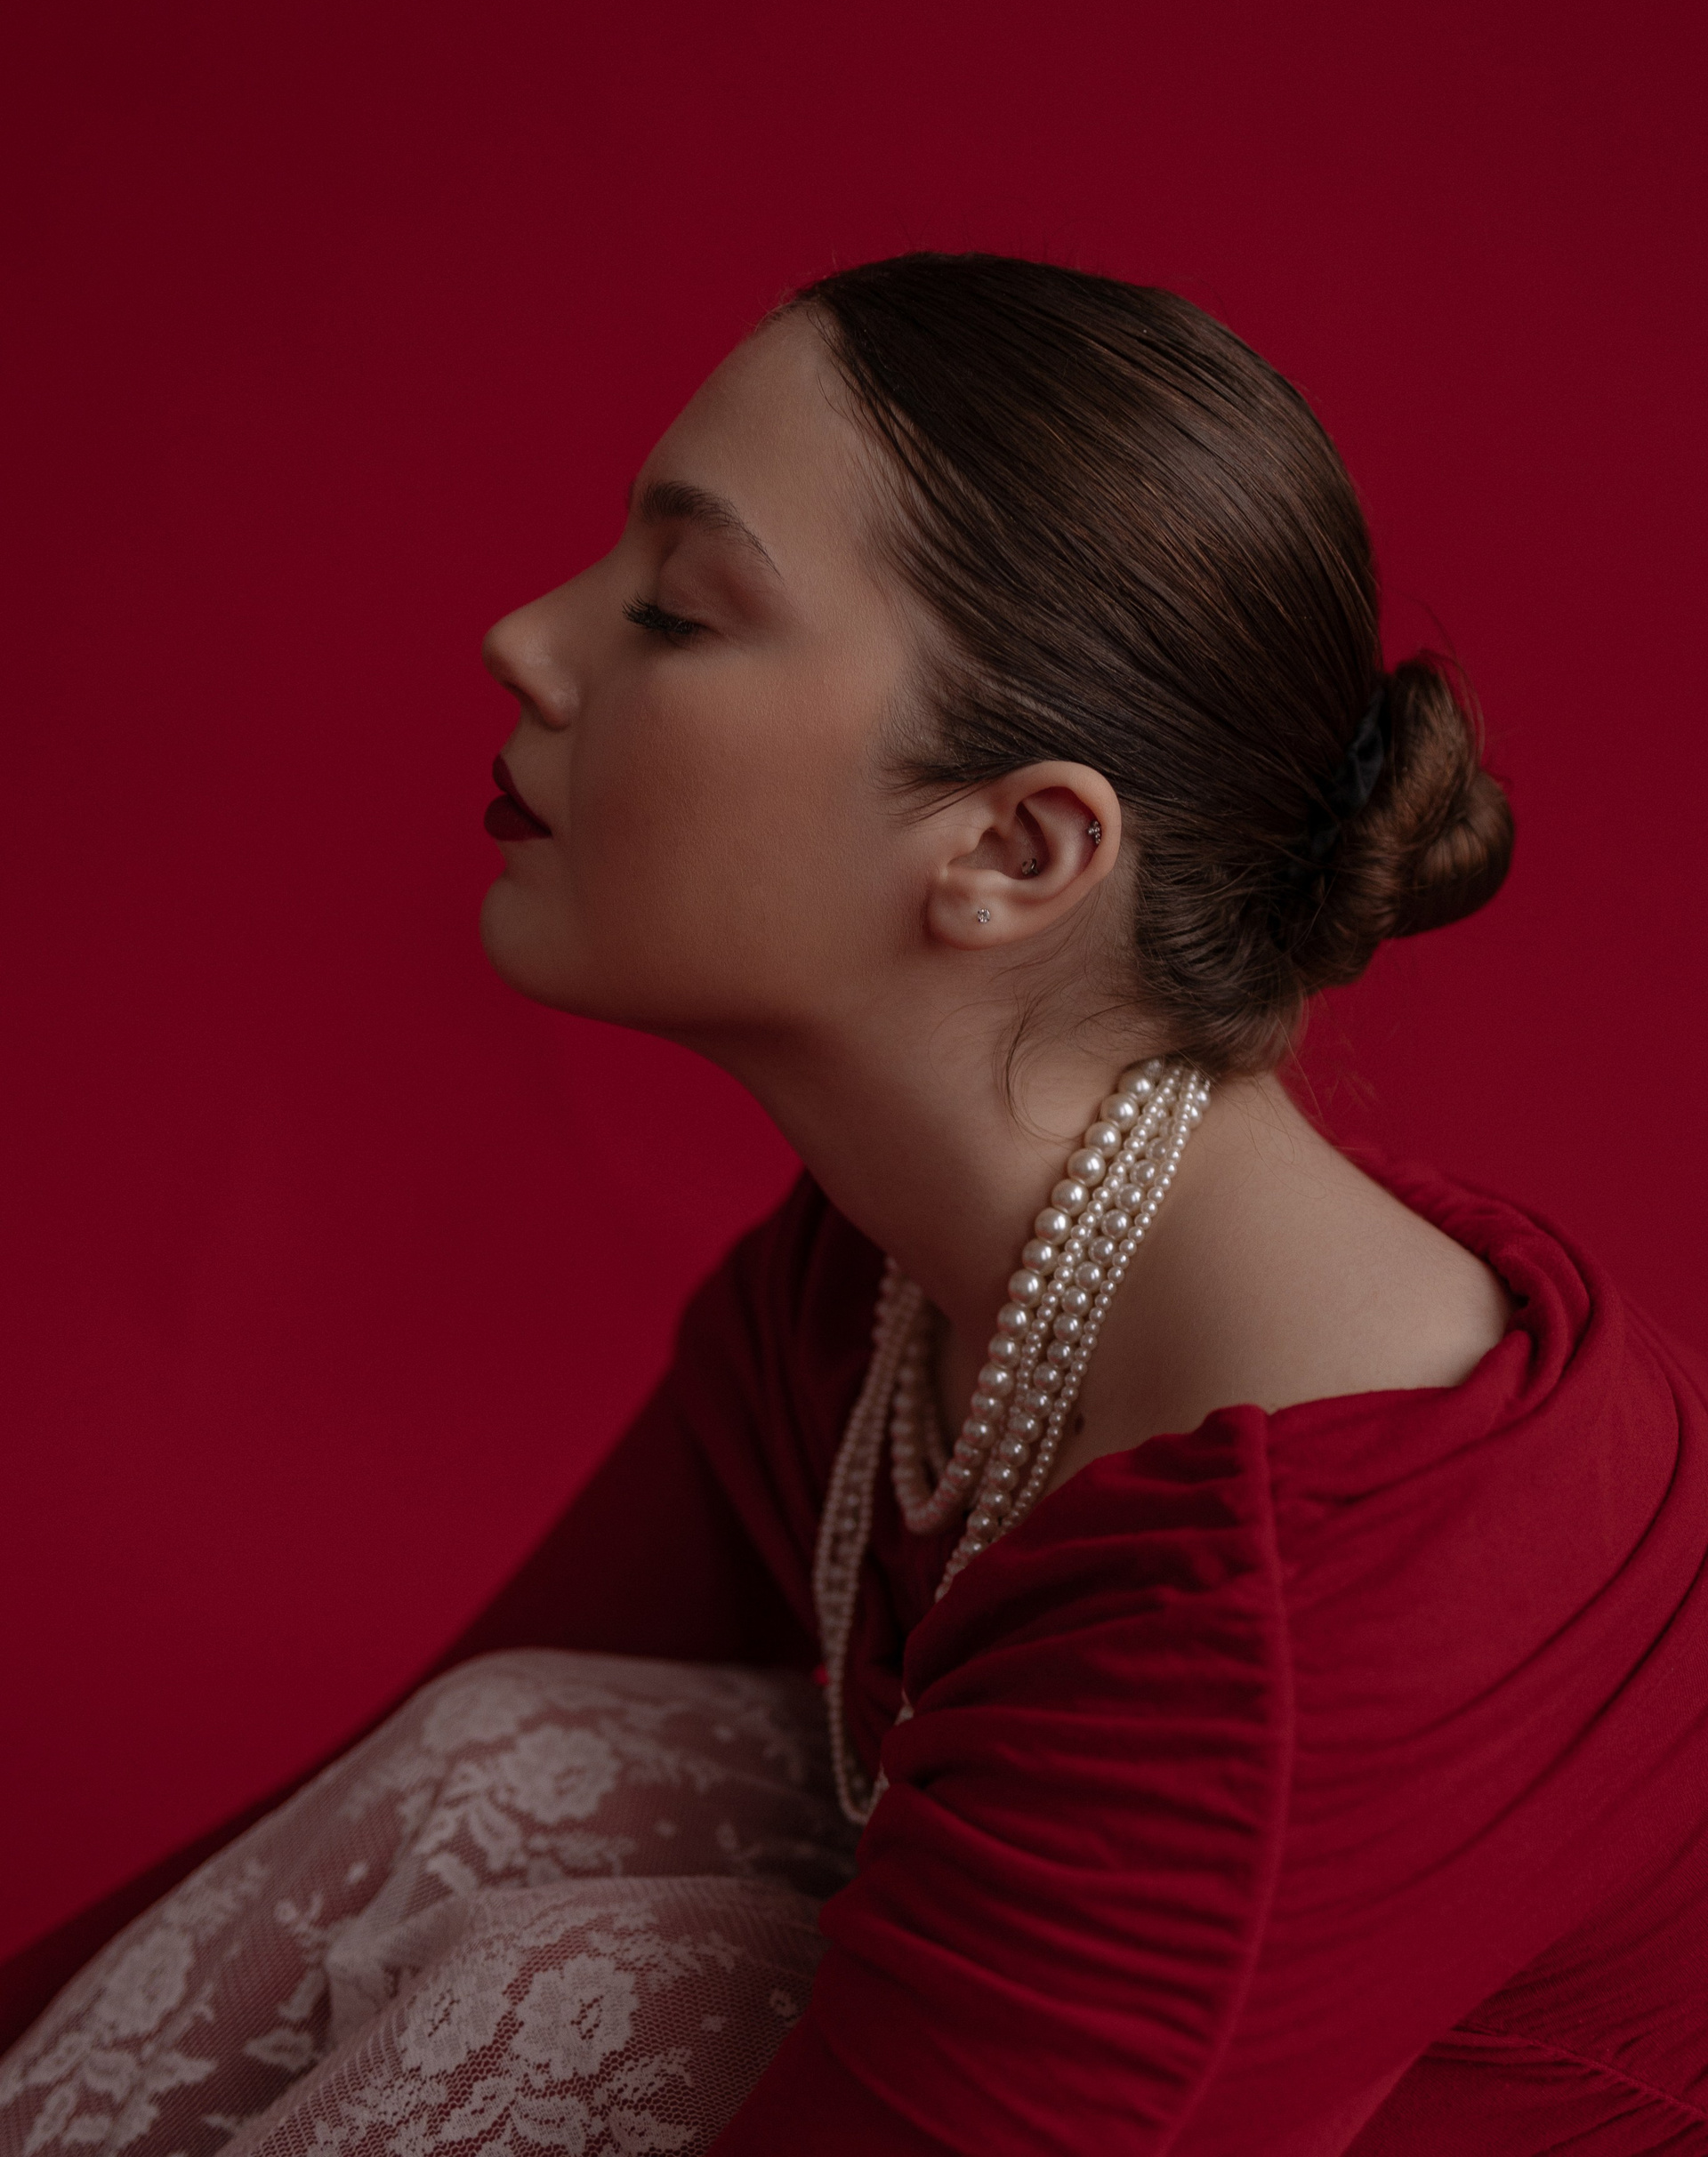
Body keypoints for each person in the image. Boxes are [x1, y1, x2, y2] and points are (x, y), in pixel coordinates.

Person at [4, 254, 1704, 2156]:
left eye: (676, 609)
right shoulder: (891, 1287)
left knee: (598, 1985)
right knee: (517, 1763)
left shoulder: (1283, 1627)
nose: (526, 642)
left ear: (1014, 847)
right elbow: (351, 1821)